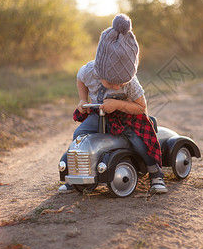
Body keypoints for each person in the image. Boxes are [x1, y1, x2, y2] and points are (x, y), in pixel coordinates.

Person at [58, 14, 167, 194]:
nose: (117, 86)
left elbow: (141, 108)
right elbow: (80, 79)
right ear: (99, 70)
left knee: (140, 143)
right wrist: (83, 99)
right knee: (79, 134)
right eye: (111, 83)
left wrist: (119, 105)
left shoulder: (131, 83)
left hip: (127, 118)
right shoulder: (89, 71)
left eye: (121, 83)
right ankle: (76, 175)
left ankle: (156, 174)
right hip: (98, 115)